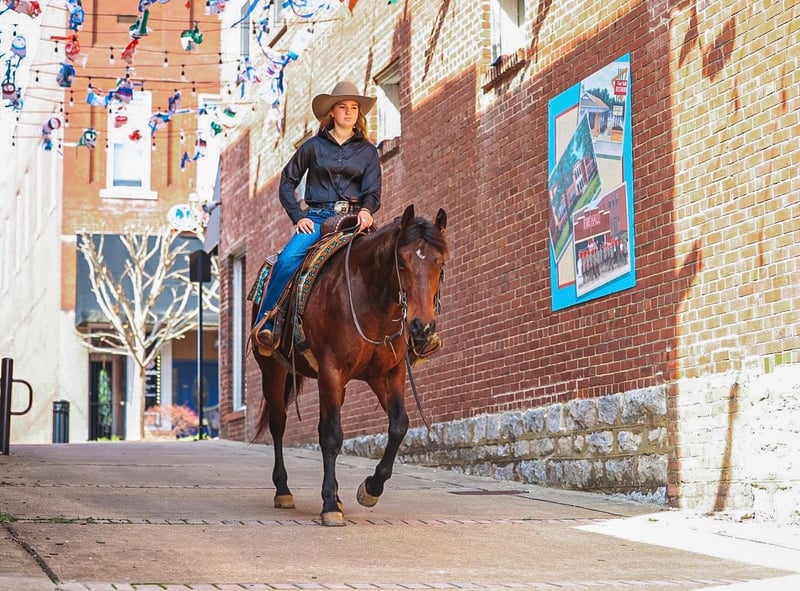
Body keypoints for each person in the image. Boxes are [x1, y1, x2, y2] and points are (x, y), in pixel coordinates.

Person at [251, 80, 382, 354]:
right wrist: (298, 216)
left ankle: (401, 337)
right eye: (343, 107)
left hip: (354, 220)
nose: (349, 112)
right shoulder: (312, 146)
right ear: (332, 112)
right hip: (318, 219)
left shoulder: (368, 151)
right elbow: (287, 182)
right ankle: (268, 324)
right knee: (287, 260)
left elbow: (372, 191)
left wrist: (367, 211)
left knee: (388, 259)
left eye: (354, 107)